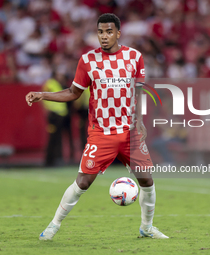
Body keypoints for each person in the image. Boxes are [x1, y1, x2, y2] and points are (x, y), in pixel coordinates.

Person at [25, 13, 168, 240]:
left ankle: (147, 228)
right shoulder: (88, 60)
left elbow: (138, 91)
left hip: (129, 133)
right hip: (102, 133)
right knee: (82, 182)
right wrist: (43, 95)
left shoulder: (134, 57)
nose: (104, 36)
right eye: (100, 32)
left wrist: (140, 120)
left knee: (147, 180)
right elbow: (73, 93)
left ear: (118, 33)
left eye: (109, 31)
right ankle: (53, 226)